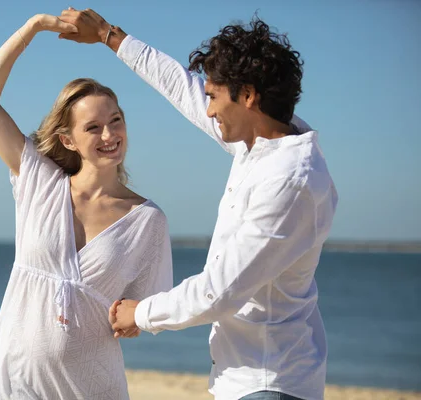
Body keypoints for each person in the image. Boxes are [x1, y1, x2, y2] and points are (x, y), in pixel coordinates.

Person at [58, 8, 338, 400]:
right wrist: (108, 35)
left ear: (248, 97)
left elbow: (218, 292)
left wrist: (139, 313)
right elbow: (180, 87)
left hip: (268, 382)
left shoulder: (289, 181)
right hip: (245, 381)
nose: (208, 111)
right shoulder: (262, 140)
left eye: (214, 99)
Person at [0, 13, 173, 400]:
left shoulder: (147, 221)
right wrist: (32, 29)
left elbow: (146, 312)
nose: (110, 135)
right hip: (17, 383)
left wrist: (136, 319)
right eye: (93, 127)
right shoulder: (39, 184)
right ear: (68, 139)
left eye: (116, 120)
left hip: (91, 388)